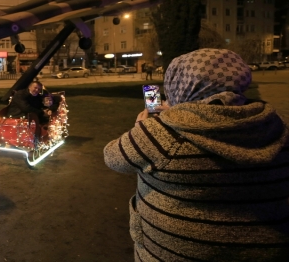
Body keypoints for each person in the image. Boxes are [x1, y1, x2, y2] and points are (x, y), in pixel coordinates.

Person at [104, 48, 289, 261]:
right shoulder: (277, 127)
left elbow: (113, 157)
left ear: (180, 84)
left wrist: (142, 128)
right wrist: (178, 112)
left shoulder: (161, 133)